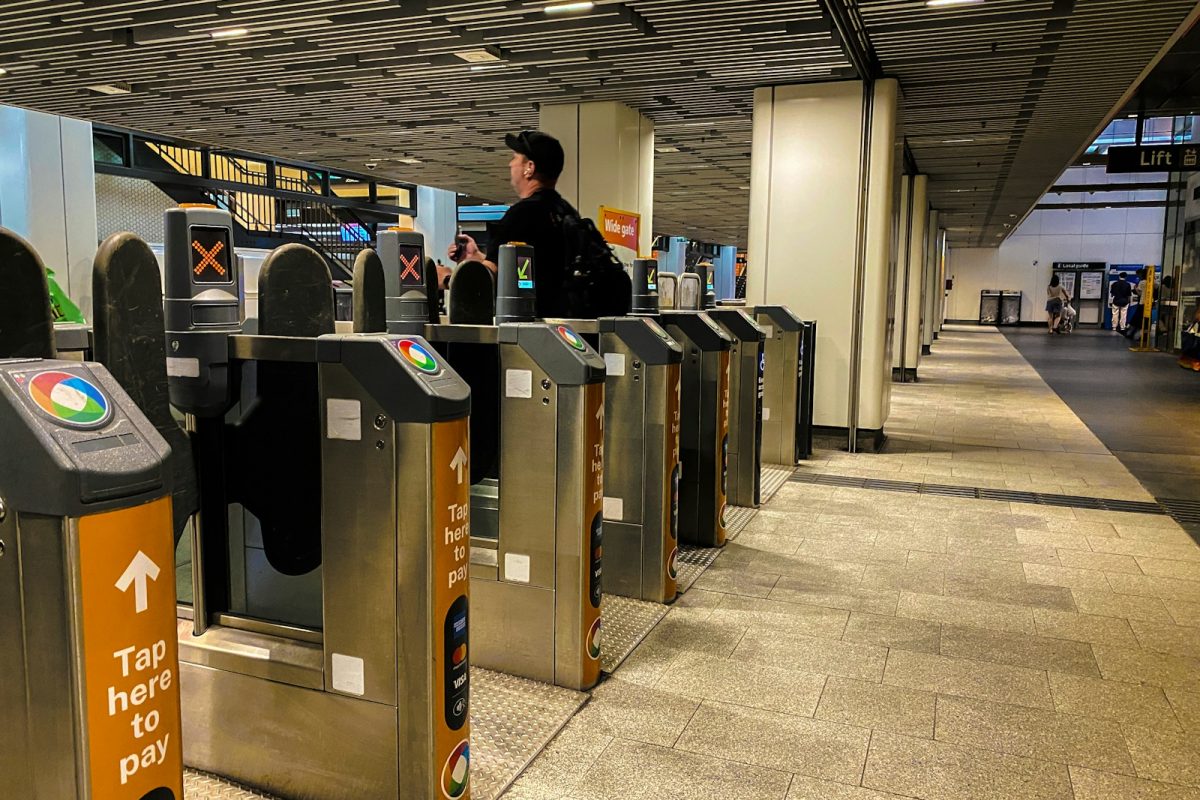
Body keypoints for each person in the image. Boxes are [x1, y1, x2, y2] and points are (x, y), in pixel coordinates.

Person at [447, 130, 577, 319]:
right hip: (569, 327)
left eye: (515, 157)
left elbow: (489, 281)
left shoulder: (522, 215)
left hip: (531, 327)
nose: (510, 163)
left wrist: (455, 277)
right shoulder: (566, 211)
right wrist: (476, 256)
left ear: (529, 168)